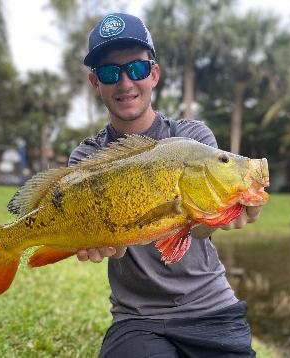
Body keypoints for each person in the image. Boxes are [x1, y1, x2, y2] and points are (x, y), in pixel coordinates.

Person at [69, 13, 262, 358]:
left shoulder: (192, 140)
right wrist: (104, 243)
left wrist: (224, 212)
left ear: (154, 74)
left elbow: (199, 229)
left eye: (138, 69)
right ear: (94, 82)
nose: (126, 82)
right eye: (111, 73)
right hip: (138, 318)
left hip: (212, 307)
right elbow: (116, 243)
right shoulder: (88, 157)